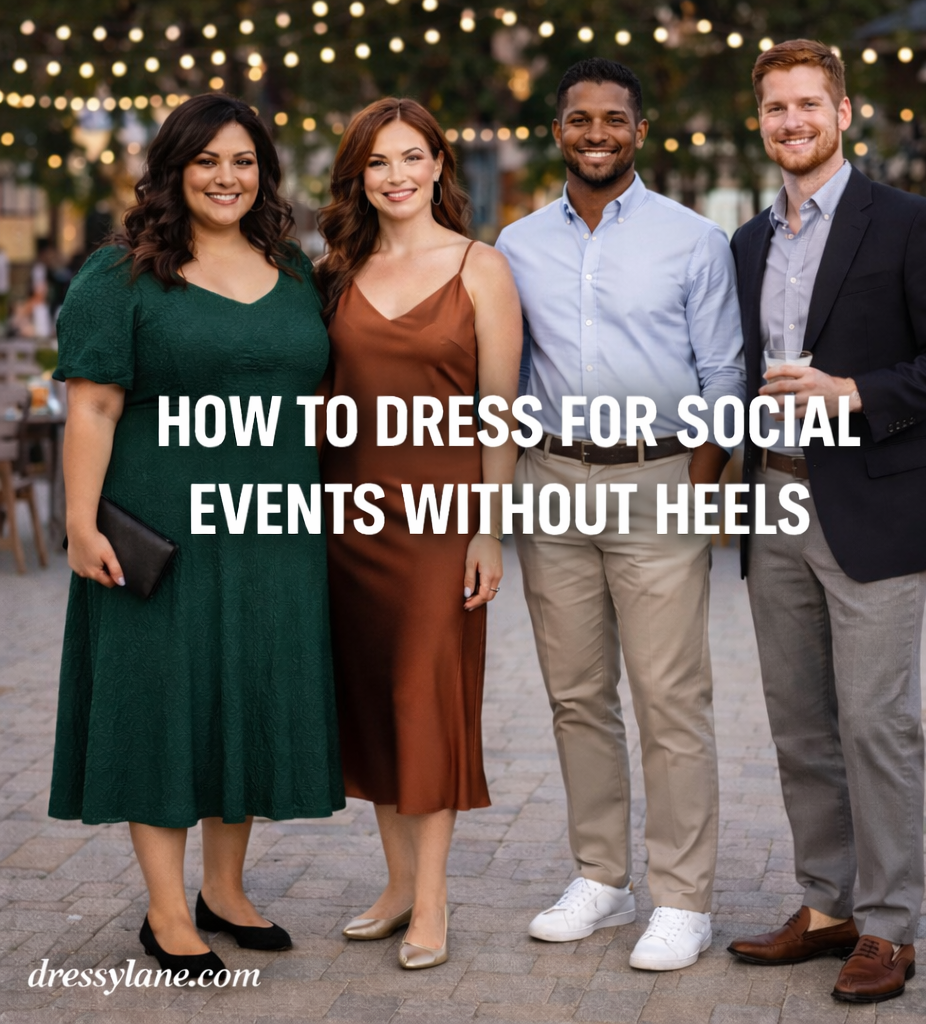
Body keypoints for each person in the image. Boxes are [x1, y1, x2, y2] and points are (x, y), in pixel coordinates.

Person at [50, 93, 345, 979]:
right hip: (160, 530)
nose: (227, 177)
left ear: (265, 173)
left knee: (245, 694)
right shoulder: (121, 274)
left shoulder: (293, 270)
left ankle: (224, 890)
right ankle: (167, 911)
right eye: (207, 160)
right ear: (173, 170)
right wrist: (77, 522)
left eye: (243, 161)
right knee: (162, 701)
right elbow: (93, 406)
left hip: (272, 532)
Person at [727, 40, 926, 1003]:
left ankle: (888, 927)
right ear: (761, 120)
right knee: (801, 726)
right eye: (775, 107)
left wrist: (852, 391)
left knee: (877, 726)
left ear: (843, 113)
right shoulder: (747, 242)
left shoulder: (912, 223)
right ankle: (826, 906)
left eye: (808, 104)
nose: (791, 121)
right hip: (775, 499)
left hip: (874, 503)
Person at [495, 58, 745, 971]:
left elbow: (724, 375)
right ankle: (602, 879)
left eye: (612, 119)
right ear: (557, 131)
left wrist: (702, 489)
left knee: (671, 699)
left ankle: (683, 899)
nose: (595, 133)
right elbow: (508, 374)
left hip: (660, 478)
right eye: (579, 118)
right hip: (551, 482)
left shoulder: (694, 240)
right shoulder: (516, 245)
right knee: (576, 697)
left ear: (640, 131)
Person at [317, 97, 521, 969]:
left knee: (426, 700)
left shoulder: (482, 268)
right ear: (359, 177)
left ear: (439, 165)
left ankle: (432, 900)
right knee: (372, 701)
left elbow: (500, 412)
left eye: (410, 157)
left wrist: (489, 530)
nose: (395, 175)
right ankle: (397, 885)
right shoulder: (335, 272)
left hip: (442, 523)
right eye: (377, 162)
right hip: (349, 521)